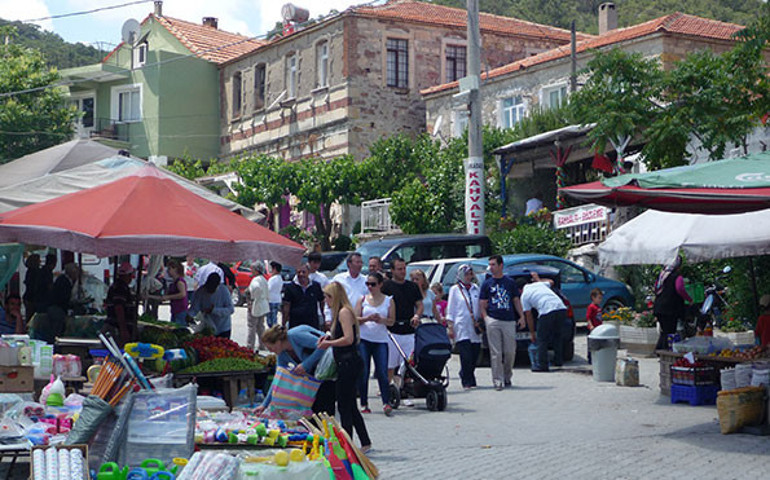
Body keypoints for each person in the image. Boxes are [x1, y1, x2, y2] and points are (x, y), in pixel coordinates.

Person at [318, 282, 371, 452]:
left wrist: (330, 344)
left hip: (349, 362)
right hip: (345, 361)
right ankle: (364, 441)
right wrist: (328, 338)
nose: (325, 301)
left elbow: (349, 338)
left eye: (327, 297)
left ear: (333, 297)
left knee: (344, 404)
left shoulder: (344, 312)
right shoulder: (339, 313)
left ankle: (348, 443)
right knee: (350, 404)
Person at [256, 324, 335, 416]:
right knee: (314, 412)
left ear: (278, 342)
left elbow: (324, 345)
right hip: (315, 378)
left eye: (270, 348)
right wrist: (264, 405)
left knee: (325, 409)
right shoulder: (282, 354)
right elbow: (277, 379)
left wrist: (305, 365)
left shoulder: (295, 335)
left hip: (328, 371)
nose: (270, 351)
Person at [479, 255, 524, 390]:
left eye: (493, 264)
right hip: (493, 319)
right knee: (496, 353)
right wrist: (486, 318)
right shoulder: (487, 283)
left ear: (501, 266)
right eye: (490, 265)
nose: (491, 268)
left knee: (510, 351)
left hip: (508, 320)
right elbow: (482, 303)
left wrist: (521, 316)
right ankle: (497, 380)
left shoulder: (509, 282)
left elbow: (516, 300)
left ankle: (507, 376)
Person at [355, 272, 395, 416]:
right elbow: (356, 319)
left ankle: (386, 402)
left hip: (381, 340)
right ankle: (364, 403)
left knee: (382, 372)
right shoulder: (362, 299)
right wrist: (367, 318)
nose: (370, 287)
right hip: (364, 339)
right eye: (368, 284)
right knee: (364, 372)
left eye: (373, 284)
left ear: (380, 285)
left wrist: (381, 320)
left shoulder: (388, 300)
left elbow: (392, 321)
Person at [382, 258, 423, 387]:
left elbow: (419, 305)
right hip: (392, 331)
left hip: (409, 330)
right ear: (392, 270)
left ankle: (405, 386)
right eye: (399, 269)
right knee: (390, 363)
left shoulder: (412, 286)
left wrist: (416, 316)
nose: (403, 271)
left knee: (408, 363)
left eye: (404, 268)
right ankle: (387, 387)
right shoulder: (386, 286)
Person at [520, 272, 568, 372]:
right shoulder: (539, 284)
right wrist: (538, 279)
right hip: (561, 308)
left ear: (519, 290)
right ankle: (558, 360)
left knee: (542, 339)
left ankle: (542, 365)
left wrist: (532, 333)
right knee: (557, 336)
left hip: (547, 311)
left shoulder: (524, 295)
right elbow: (551, 282)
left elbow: (529, 316)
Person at [446, 265, 482, 390]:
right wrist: (450, 326)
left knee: (475, 353)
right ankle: (467, 380)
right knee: (466, 355)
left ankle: (466, 373)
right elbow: (451, 309)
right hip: (461, 325)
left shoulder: (475, 288)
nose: (468, 277)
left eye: (470, 274)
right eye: (466, 274)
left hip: (474, 326)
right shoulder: (455, 290)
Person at [653, 256, 692, 350]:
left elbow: (656, 288)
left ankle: (660, 349)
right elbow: (680, 289)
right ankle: (665, 350)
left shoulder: (662, 275)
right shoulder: (677, 277)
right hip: (671, 308)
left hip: (659, 306)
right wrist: (689, 299)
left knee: (664, 330)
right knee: (670, 330)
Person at [42, 263, 80, 343]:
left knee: (56, 329)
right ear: (72, 272)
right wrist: (71, 305)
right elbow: (63, 298)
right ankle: (54, 345)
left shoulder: (62, 279)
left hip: (55, 308)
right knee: (56, 330)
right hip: (57, 309)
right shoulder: (64, 281)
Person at [189, 273, 234, 338]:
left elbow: (230, 309)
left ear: (218, 285)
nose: (211, 289)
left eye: (213, 287)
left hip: (223, 327)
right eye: (209, 287)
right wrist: (190, 315)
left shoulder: (224, 290)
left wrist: (214, 310)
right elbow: (195, 307)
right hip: (207, 326)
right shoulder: (201, 291)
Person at [104, 262, 138, 346]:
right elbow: (119, 308)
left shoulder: (119, 286)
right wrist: (123, 329)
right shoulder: (120, 287)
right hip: (116, 327)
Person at [282, 264, 325, 329]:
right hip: (295, 324)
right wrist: (284, 323)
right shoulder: (290, 287)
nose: (301, 274)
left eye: (303, 272)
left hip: (312, 323)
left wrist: (324, 318)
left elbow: (322, 302)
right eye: (299, 272)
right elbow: (286, 306)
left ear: (308, 272)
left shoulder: (316, 286)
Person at [149, 260, 188, 326]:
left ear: (175, 269)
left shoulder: (179, 282)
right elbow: (163, 297)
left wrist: (169, 297)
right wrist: (149, 296)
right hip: (175, 310)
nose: (167, 271)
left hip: (180, 310)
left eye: (169, 269)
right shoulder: (173, 282)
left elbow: (182, 294)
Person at [247, 262, 270, 351]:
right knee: (260, 326)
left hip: (256, 305)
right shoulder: (264, 279)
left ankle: (250, 346)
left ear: (256, 270)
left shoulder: (255, 280)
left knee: (252, 326)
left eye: (252, 269)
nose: (251, 271)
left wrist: (252, 298)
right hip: (263, 305)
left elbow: (255, 288)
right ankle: (262, 344)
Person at [586, 288, 603, 364]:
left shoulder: (598, 307)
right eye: (599, 298)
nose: (600, 300)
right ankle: (590, 358)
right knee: (592, 344)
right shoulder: (591, 307)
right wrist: (591, 325)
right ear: (593, 297)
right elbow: (588, 317)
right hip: (593, 328)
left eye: (601, 298)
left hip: (598, 328)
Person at [23, 254, 41, 321]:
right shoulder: (35, 272)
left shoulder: (29, 271)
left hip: (28, 297)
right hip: (32, 298)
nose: (40, 261)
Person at [267, 261, 283, 327]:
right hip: (278, 299)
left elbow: (268, 289)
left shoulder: (272, 279)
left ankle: (273, 330)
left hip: (271, 300)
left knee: (270, 319)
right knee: (274, 317)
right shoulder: (280, 278)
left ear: (275, 269)